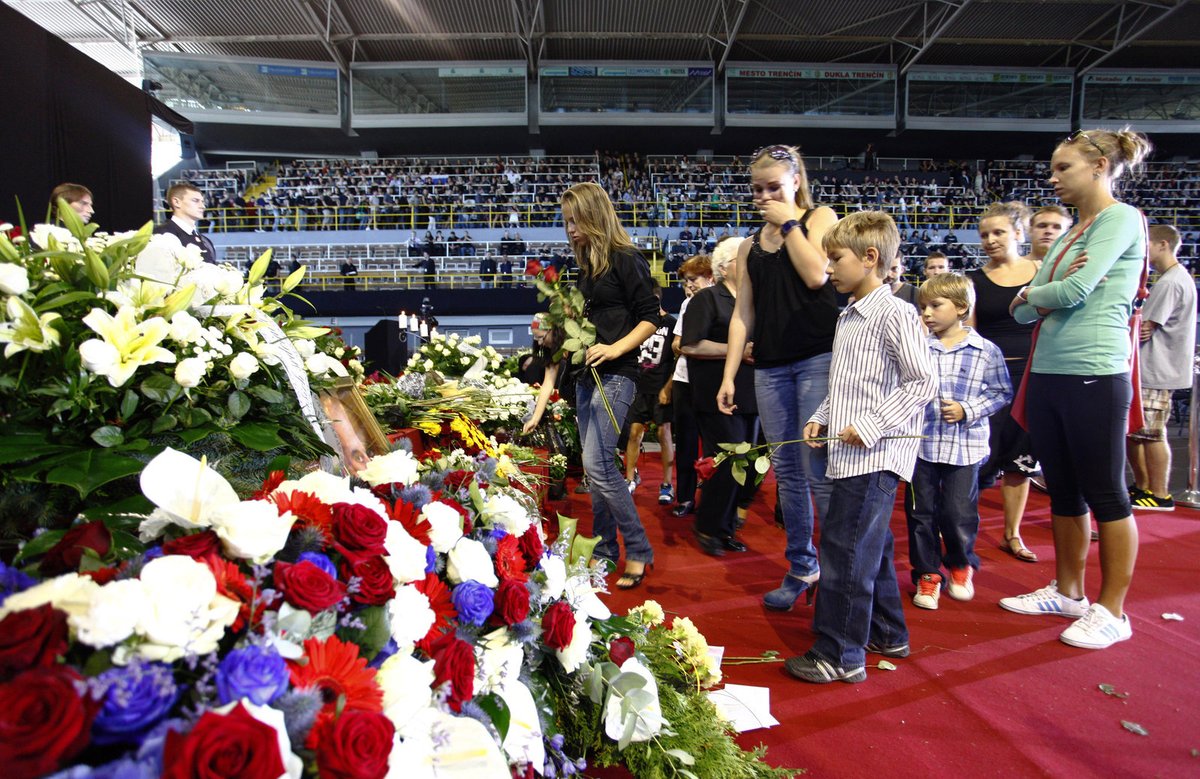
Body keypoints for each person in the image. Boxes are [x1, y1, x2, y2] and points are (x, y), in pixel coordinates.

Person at [1000, 127, 1153, 650]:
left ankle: (1113, 610)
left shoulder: (1121, 219)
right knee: (1062, 488)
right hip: (1047, 371)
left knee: (1106, 491)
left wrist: (1039, 292)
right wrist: (1042, 293)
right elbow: (1020, 307)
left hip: (1095, 368)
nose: (1053, 177)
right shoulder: (1070, 234)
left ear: (1099, 167)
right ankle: (1068, 592)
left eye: (1063, 168)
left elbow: (1073, 289)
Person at [785, 210, 937, 684]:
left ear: (871, 258)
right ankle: (888, 632)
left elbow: (922, 383)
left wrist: (871, 425)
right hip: (851, 452)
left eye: (836, 258)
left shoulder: (895, 313)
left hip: (875, 454)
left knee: (844, 551)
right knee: (868, 546)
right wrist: (820, 417)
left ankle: (840, 654)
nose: (828, 268)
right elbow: (847, 385)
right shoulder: (850, 314)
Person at [719, 144, 839, 612]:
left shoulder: (820, 219)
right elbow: (741, 315)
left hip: (817, 358)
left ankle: (835, 572)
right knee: (787, 474)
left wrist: (790, 221)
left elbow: (816, 276)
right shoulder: (750, 246)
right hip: (769, 367)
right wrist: (729, 375)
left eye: (774, 187)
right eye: (758, 189)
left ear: (795, 183)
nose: (764, 196)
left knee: (819, 470)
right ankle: (802, 566)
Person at [523, 182, 658, 590]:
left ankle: (637, 549)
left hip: (617, 375)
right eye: (566, 222)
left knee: (599, 467)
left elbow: (651, 317)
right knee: (597, 470)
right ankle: (604, 550)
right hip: (585, 376)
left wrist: (615, 348)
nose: (570, 229)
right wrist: (553, 336)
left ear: (595, 216)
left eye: (576, 220)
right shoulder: (585, 271)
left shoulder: (625, 259)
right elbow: (579, 329)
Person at [906, 274, 1011, 610]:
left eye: (936, 306)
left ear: (962, 307)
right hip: (921, 445)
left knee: (957, 512)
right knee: (920, 513)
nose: (926, 313)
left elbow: (1000, 392)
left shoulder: (986, 351)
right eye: (923, 306)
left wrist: (969, 409)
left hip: (964, 448)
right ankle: (926, 572)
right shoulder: (920, 347)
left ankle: (960, 563)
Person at [966, 201, 1041, 562]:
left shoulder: (1042, 272)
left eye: (998, 232)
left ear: (1018, 233)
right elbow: (971, 333)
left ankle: (1012, 533)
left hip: (1034, 375)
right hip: (992, 382)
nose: (990, 240)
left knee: (1020, 461)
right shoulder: (974, 280)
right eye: (984, 235)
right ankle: (960, 531)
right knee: (981, 459)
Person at [683, 237, 760, 555]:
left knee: (746, 466)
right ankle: (708, 526)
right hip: (715, 396)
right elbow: (690, 345)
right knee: (726, 463)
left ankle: (725, 528)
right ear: (724, 267)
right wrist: (737, 350)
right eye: (743, 260)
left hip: (750, 396)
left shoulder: (751, 302)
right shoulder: (708, 299)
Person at [1127, 224, 1196, 511]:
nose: (1144, 253)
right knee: (1139, 433)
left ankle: (1159, 493)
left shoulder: (1170, 282)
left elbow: (1144, 329)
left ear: (1163, 245)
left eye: (1148, 246)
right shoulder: (1176, 278)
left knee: (1152, 433)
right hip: (1158, 367)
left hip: (1156, 368)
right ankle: (1145, 488)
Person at [667, 255, 715, 517]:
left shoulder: (723, 302)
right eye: (686, 281)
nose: (690, 285)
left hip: (712, 382)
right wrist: (692, 346)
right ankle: (685, 497)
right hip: (684, 380)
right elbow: (677, 344)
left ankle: (711, 499)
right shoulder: (687, 305)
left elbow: (685, 345)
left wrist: (692, 346)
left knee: (713, 446)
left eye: (694, 279)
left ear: (711, 276)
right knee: (685, 443)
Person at [623, 279, 676, 503]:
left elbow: (677, 360)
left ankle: (667, 484)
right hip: (638, 387)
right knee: (634, 434)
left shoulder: (671, 324)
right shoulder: (638, 322)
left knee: (664, 434)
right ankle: (629, 479)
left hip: (660, 388)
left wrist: (668, 388)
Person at [155, 183, 217, 263]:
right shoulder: (160, 235)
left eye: (202, 201)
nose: (203, 206)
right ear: (177, 202)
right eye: (195, 201)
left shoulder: (206, 241)